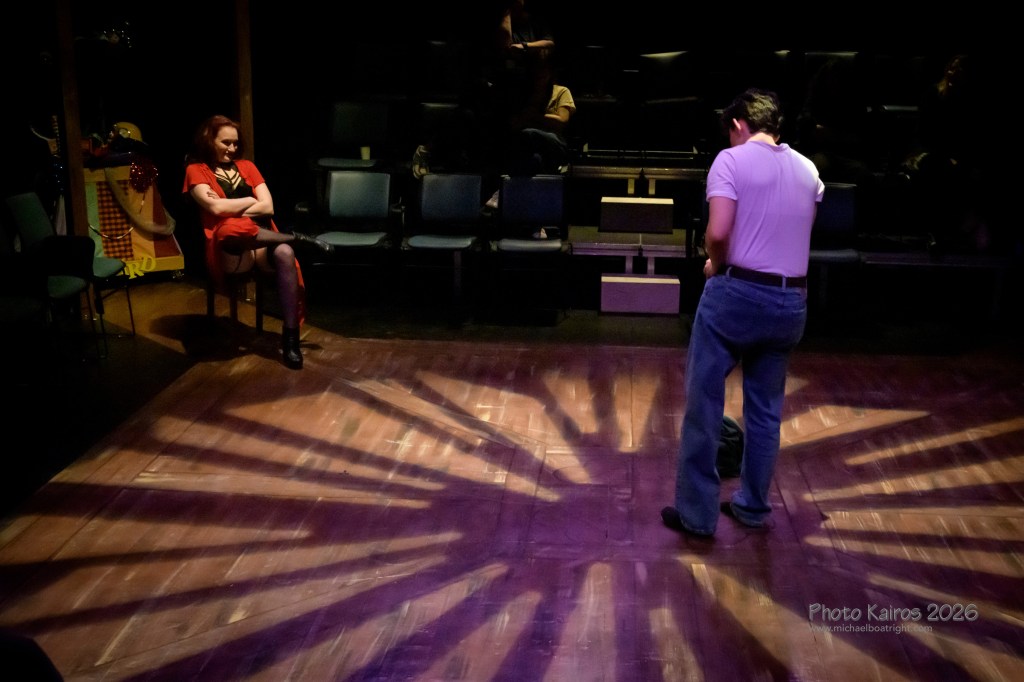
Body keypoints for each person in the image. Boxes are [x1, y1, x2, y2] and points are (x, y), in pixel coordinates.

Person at [662, 89, 824, 538]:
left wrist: (715, 264)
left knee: (704, 401)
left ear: (737, 124)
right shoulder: (809, 170)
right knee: (765, 412)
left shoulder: (730, 162)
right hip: (791, 303)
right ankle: (753, 507)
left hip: (737, 296)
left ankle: (697, 516)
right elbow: (795, 234)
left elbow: (718, 233)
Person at [182, 114, 332, 369]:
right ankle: (295, 238)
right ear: (209, 141)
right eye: (226, 142)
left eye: (235, 143)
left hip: (262, 240)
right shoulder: (195, 170)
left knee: (285, 253)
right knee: (231, 227)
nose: (232, 148)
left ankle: (291, 339)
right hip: (231, 247)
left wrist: (231, 207)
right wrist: (251, 202)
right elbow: (215, 208)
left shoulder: (247, 167)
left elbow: (268, 207)